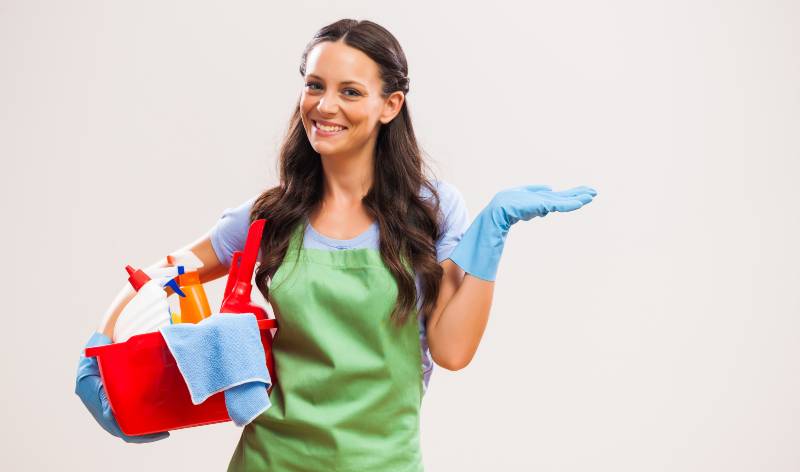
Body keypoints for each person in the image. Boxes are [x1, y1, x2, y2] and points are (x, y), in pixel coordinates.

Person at [75, 18, 597, 471]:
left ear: (390, 105)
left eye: (350, 91)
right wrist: (101, 347)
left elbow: (452, 350)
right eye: (314, 85)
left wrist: (492, 232)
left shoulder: (430, 212)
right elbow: (169, 272)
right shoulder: (273, 215)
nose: (325, 105)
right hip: (269, 462)